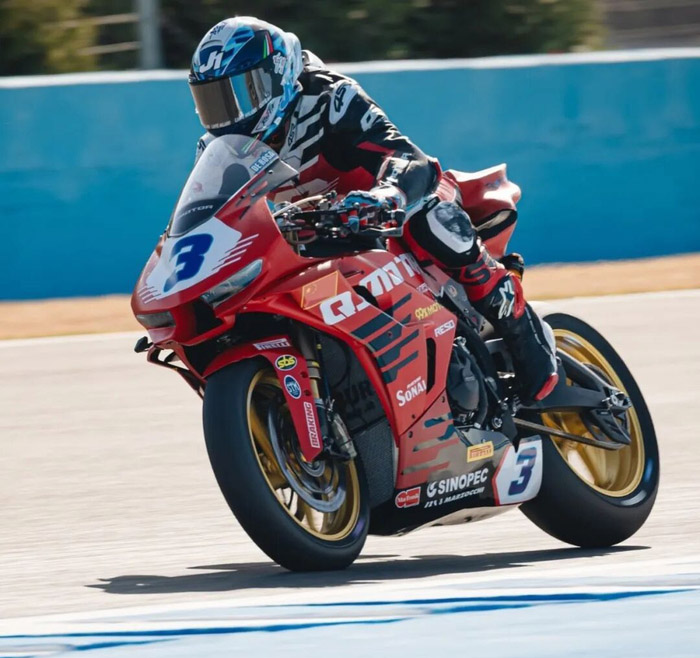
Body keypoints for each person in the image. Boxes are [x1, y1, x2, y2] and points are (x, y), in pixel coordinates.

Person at [188, 16, 558, 404]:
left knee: (431, 219)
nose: (227, 114)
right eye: (213, 101)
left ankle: (518, 323)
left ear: (275, 75)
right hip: (316, 234)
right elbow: (213, 218)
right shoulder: (219, 149)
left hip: (389, 206)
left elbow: (408, 158)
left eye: (238, 95)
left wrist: (387, 196)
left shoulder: (329, 97)